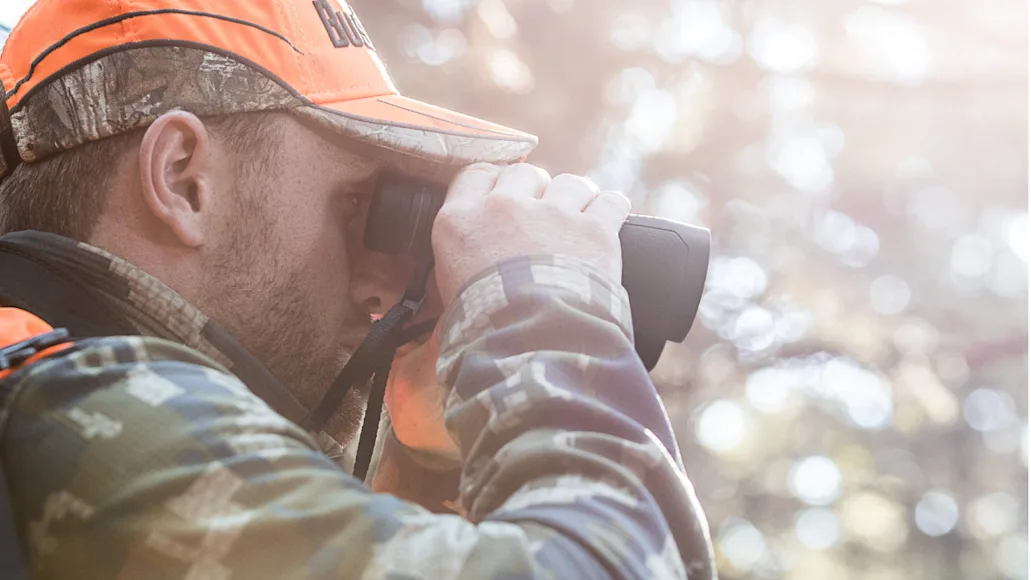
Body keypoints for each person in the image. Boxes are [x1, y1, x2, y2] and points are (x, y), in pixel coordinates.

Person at [0, 0, 715, 578]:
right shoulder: (74, 398)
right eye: (364, 207)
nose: (383, 285)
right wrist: (537, 304)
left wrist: (431, 454)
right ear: (185, 180)